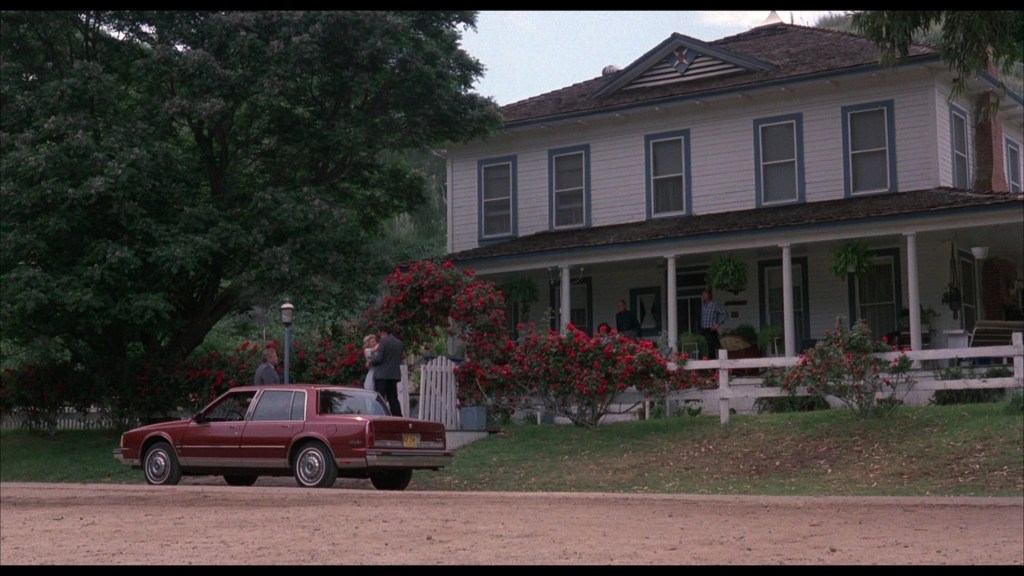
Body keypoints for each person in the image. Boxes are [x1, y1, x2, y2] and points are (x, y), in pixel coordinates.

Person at [370, 324, 405, 417]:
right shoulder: (399, 343)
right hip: (394, 375)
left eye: (379, 332)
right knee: (393, 398)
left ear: (382, 332)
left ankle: (379, 416)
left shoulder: (383, 342)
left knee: (379, 398)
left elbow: (379, 359)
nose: (378, 334)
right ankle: (398, 418)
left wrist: (371, 358)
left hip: (382, 375)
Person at [700, 288, 728, 358]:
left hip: (711, 330)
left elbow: (724, 313)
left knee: (712, 348)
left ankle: (713, 365)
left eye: (705, 294)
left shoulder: (714, 304)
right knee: (704, 347)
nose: (703, 295)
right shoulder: (704, 306)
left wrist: (718, 324)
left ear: (709, 295)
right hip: (704, 330)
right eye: (703, 294)